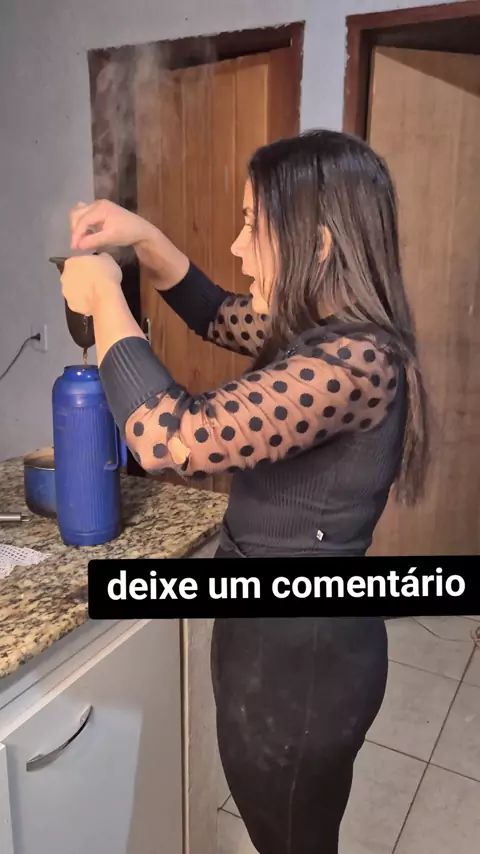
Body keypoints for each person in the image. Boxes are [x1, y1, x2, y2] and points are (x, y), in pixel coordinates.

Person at [61, 130, 429, 853]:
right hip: (279, 642)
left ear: (318, 244)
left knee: (290, 836)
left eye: (253, 226)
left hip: (302, 665)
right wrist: (142, 238)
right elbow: (215, 311)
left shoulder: (355, 360)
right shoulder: (325, 328)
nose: (237, 247)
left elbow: (172, 436)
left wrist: (105, 297)